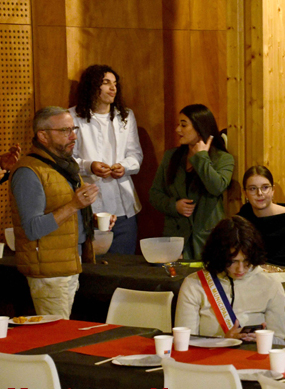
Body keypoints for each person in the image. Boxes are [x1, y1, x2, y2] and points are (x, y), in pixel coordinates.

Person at [9, 107, 98, 319]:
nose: (73, 136)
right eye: (65, 130)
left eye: (73, 129)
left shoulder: (64, 166)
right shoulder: (29, 172)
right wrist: (74, 205)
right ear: (43, 135)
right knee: (56, 334)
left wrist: (90, 218)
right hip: (49, 273)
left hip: (69, 263)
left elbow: (62, 212)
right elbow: (33, 229)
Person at [174, 216, 285, 345]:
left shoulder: (270, 283)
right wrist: (224, 341)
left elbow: (283, 341)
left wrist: (263, 339)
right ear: (218, 256)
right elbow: (184, 342)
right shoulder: (194, 284)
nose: (240, 269)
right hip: (211, 356)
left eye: (246, 261)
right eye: (232, 261)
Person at [71, 65, 143, 254]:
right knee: (92, 264)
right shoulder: (73, 117)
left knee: (122, 263)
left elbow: (135, 155)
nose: (113, 88)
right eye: (106, 83)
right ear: (92, 86)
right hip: (89, 206)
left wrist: (124, 167)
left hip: (123, 207)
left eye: (115, 84)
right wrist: (89, 166)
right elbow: (67, 161)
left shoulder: (125, 115)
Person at [149, 104, 234, 260]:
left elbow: (216, 187)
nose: (178, 130)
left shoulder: (223, 158)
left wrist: (201, 157)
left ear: (200, 127)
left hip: (207, 239)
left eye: (183, 125)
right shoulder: (171, 156)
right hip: (176, 238)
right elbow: (154, 194)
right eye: (178, 124)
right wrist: (174, 206)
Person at [236, 166, 285, 267]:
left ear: (273, 190)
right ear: (245, 193)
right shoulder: (242, 218)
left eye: (265, 187)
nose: (259, 193)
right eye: (253, 188)